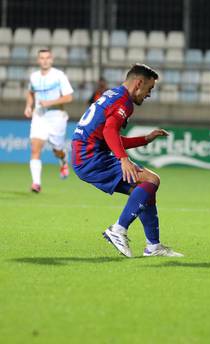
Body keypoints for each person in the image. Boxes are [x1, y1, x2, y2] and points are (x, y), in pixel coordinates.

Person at [71, 64, 183, 258]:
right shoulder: (124, 102)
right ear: (138, 83)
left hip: (85, 156)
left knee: (143, 191)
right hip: (91, 158)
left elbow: (108, 136)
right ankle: (118, 229)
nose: (148, 94)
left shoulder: (112, 94)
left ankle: (153, 246)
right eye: (149, 89)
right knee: (151, 180)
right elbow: (109, 132)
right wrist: (124, 159)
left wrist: (144, 139)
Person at [24, 48, 74, 193]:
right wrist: (28, 106)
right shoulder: (33, 76)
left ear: (51, 60)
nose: (45, 60)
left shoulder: (59, 76)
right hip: (39, 116)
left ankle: (63, 159)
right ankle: (36, 183)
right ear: (38, 60)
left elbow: (69, 97)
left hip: (56, 116)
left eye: (47, 58)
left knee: (57, 150)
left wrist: (50, 102)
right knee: (35, 148)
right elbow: (30, 92)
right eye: (42, 58)